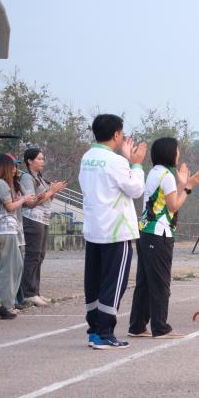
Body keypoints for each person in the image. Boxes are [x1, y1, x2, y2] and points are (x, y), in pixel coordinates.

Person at [79, 114, 146, 350]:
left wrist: (126, 161)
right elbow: (136, 189)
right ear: (116, 134)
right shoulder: (115, 161)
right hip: (117, 231)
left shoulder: (87, 157)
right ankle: (105, 333)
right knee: (114, 283)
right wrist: (136, 163)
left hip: (95, 229)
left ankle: (94, 331)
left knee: (94, 282)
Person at [128, 137, 199, 340]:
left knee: (145, 281)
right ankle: (160, 327)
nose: (179, 154)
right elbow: (173, 205)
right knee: (160, 283)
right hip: (158, 233)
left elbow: (165, 200)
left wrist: (182, 184)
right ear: (170, 153)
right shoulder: (167, 175)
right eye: (177, 150)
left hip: (145, 231)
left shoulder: (156, 172)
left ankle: (137, 325)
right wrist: (188, 187)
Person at [19, 148, 67, 307]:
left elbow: (46, 199)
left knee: (40, 255)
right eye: (39, 159)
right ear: (29, 161)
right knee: (33, 255)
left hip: (43, 218)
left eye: (43, 159)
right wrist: (51, 191)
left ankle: (35, 291)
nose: (42, 162)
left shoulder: (39, 177)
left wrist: (53, 191)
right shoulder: (27, 177)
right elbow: (31, 202)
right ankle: (28, 293)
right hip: (32, 218)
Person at [0, 154, 35, 320]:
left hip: (7, 230)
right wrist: (23, 199)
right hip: (5, 229)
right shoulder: (1, 183)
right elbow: (10, 207)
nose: (14, 169)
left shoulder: (5, 184)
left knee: (15, 266)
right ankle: (6, 304)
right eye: (12, 166)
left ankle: (6, 303)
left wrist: (20, 199)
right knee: (9, 268)